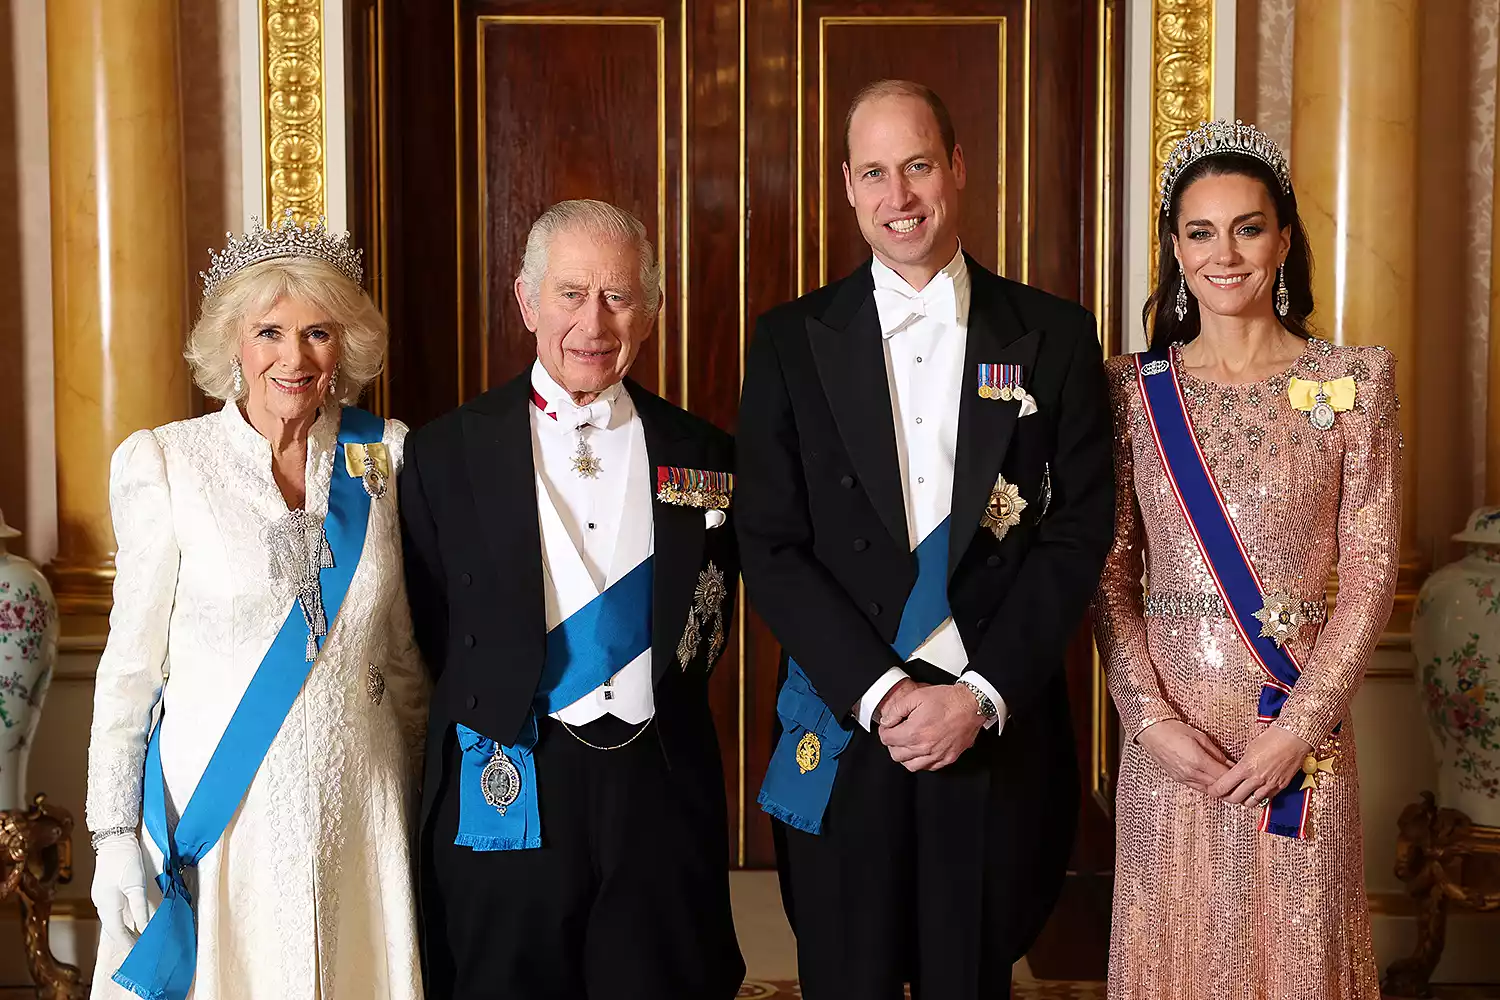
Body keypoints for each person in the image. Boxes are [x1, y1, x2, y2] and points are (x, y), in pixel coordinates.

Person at [738, 79, 1114, 999]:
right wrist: (880, 690)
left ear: (956, 167)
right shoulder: (789, 340)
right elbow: (771, 542)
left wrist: (979, 695)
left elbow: (1079, 531)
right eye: (874, 173)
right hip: (850, 717)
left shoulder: (1054, 335)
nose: (897, 196)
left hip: (991, 723)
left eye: (916, 166)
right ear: (848, 185)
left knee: (970, 980)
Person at [402, 199, 744, 1000]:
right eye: (570, 294)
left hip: (657, 786)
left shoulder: (707, 454)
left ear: (651, 311)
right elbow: (429, 627)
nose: (594, 322)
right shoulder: (445, 452)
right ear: (526, 302)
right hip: (511, 772)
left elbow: (709, 618)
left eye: (619, 296)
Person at [85, 213, 427, 1000]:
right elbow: (130, 674)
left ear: (346, 347)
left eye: (318, 332)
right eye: (268, 332)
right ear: (233, 345)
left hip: (360, 816)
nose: (293, 357)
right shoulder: (169, 463)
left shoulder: (386, 456)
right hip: (223, 823)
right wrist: (110, 838)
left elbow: (403, 657)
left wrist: (416, 811)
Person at [1093, 119, 1398, 999]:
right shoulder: (1130, 391)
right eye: (1199, 231)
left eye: (1248, 227)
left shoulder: (1355, 380)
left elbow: (1373, 574)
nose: (1224, 254)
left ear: (1284, 237)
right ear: (1174, 248)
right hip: (1174, 741)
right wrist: (1149, 721)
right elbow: (1111, 576)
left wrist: (1298, 728)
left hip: (1298, 736)